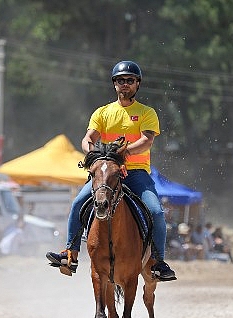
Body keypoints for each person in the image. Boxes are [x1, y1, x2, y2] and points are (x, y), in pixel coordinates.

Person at [46, 60, 176, 281]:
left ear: (138, 84)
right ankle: (70, 253)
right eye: (120, 80)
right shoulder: (103, 112)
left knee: (155, 211)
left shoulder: (146, 113)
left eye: (130, 80)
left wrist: (122, 154)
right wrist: (91, 154)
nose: (125, 84)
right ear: (114, 84)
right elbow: (88, 138)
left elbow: (147, 141)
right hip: (105, 173)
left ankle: (158, 262)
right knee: (78, 203)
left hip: (135, 173)